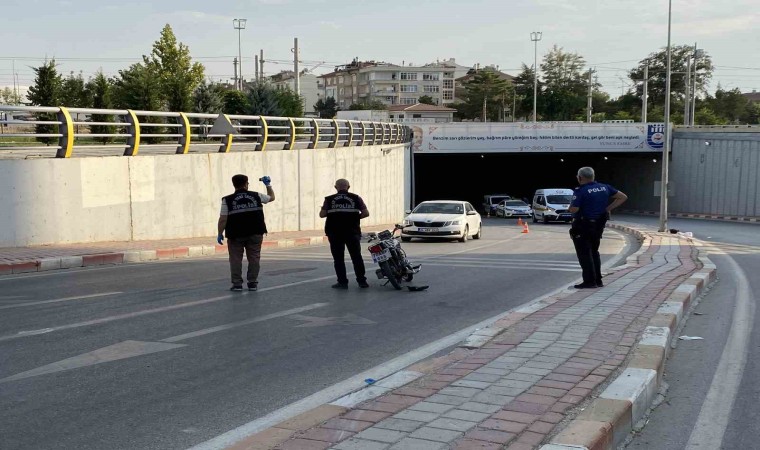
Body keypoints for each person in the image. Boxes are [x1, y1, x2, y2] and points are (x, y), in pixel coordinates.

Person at [568, 167, 627, 289]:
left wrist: (569, 208)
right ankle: (598, 280)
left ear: (580, 178)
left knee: (584, 253)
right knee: (594, 251)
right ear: (593, 176)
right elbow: (623, 197)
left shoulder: (580, 191)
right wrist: (607, 209)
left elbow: (574, 209)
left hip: (583, 225)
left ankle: (589, 281)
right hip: (598, 225)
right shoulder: (605, 187)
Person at [217, 174, 275, 291]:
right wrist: (268, 185)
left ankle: (237, 284)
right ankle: (252, 283)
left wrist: (220, 233)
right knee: (254, 258)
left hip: (235, 235)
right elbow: (271, 197)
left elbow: (223, 218)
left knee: (235, 259)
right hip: (256, 233)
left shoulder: (227, 200)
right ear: (245, 184)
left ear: (234, 185)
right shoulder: (256, 195)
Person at [319, 179, 370, 289]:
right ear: (348, 187)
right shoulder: (356, 198)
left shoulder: (329, 199)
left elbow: (322, 214)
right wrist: (354, 218)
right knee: (356, 257)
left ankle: (342, 282)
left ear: (335, 187)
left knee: (338, 259)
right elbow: (366, 213)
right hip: (352, 232)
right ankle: (362, 281)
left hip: (335, 233)